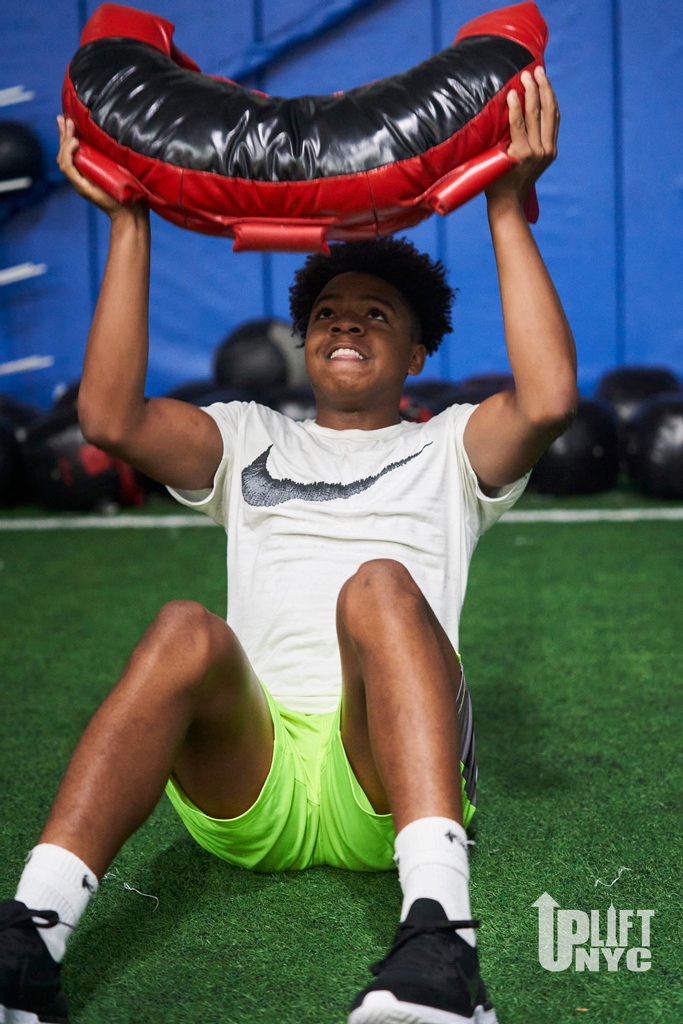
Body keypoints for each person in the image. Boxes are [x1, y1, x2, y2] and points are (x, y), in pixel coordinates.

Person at [0, 66, 575, 1024]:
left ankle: (441, 948)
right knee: (186, 623)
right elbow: (106, 418)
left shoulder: (448, 446)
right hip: (249, 782)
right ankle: (29, 940)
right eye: (327, 315)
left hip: (382, 779)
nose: (344, 323)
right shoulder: (246, 434)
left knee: (380, 585)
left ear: (417, 353)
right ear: (304, 341)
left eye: (374, 314)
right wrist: (129, 221)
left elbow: (551, 400)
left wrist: (507, 205)